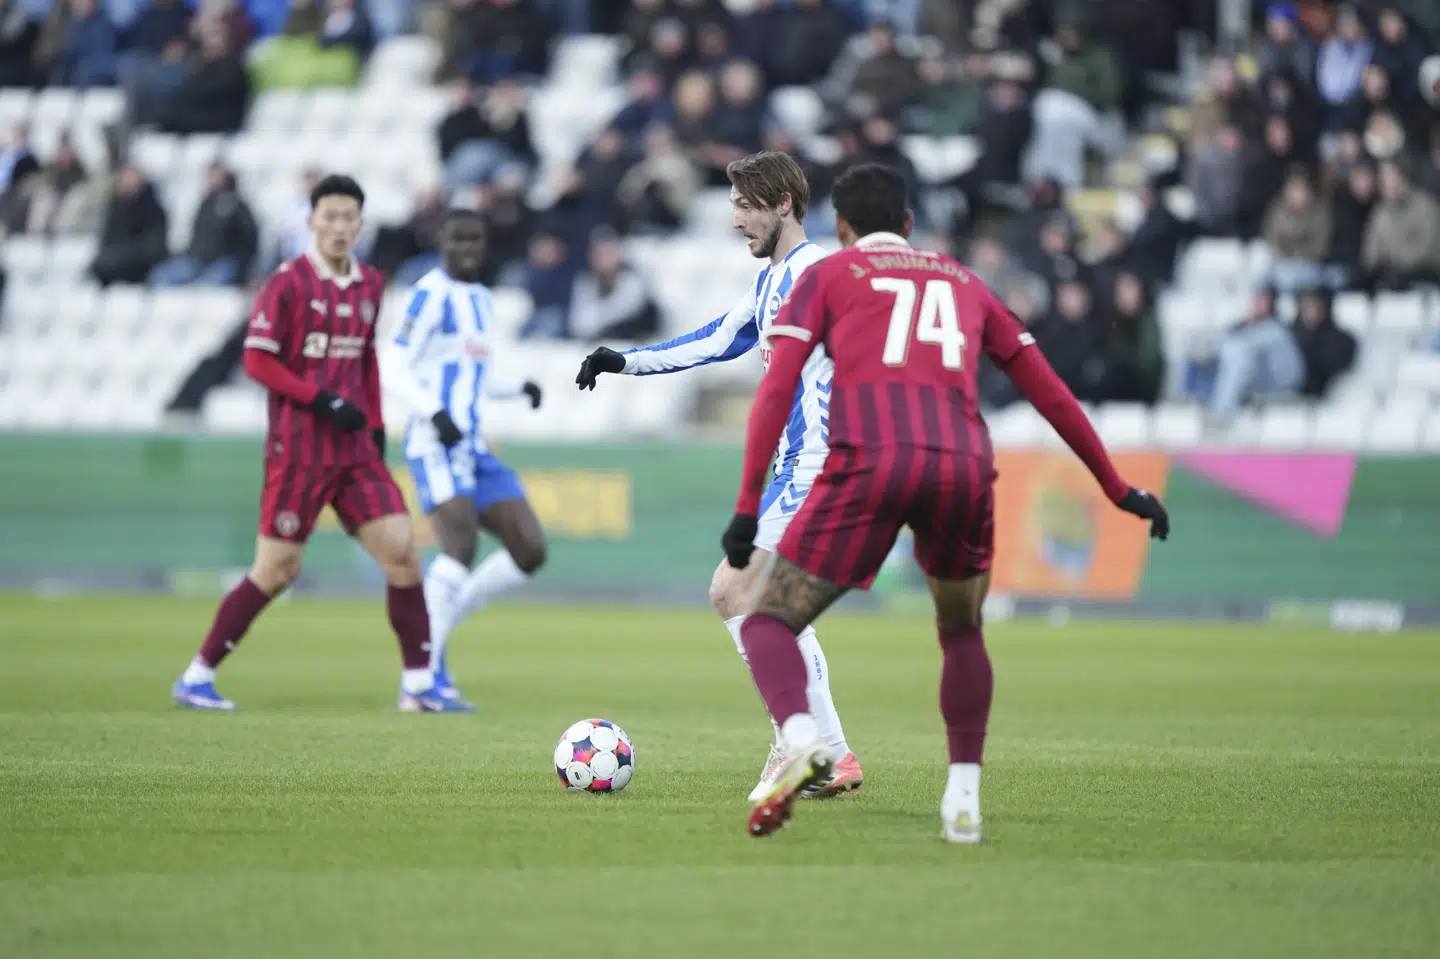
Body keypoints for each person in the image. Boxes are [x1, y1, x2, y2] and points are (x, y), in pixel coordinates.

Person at [720, 164, 1169, 843]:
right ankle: (962, 798)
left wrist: (748, 506)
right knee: (960, 631)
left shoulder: (827, 277)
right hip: (961, 466)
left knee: (762, 615)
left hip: (868, 464)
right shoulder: (964, 281)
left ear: (841, 229)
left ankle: (807, 739)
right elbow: (1049, 390)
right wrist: (1117, 488)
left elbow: (776, 391)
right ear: (907, 225)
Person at [573, 151, 864, 802]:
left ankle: (806, 742)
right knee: (758, 602)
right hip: (799, 466)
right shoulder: (770, 285)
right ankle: (824, 748)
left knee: (735, 590)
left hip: (822, 462)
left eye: (745, 205)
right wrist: (625, 360)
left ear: (783, 203)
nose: (735, 221)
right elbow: (713, 340)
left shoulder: (821, 273)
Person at [171, 175, 460, 713]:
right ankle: (197, 675)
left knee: (402, 550)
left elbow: (365, 359)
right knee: (278, 569)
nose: (339, 226)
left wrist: (374, 424)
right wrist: (319, 399)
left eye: (349, 217)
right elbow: (257, 360)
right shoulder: (286, 283)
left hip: (354, 451)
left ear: (360, 224)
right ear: (311, 222)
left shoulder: (371, 283)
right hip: (299, 449)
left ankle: (418, 686)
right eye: (330, 216)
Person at [383, 209, 546, 709]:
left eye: (476, 238)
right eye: (458, 239)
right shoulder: (429, 295)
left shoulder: (480, 299)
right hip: (435, 442)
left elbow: (475, 374)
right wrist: (433, 412)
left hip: (472, 443)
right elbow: (391, 362)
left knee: (529, 549)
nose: (469, 248)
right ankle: (422, 681)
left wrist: (518, 388)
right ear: (442, 242)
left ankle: (439, 634)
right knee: (458, 547)